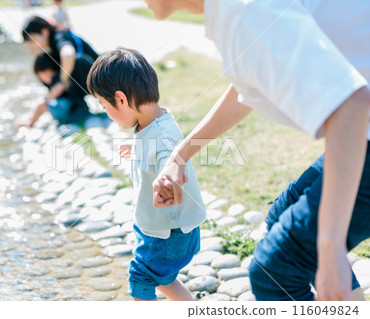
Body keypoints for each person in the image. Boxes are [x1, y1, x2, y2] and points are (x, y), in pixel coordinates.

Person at [146, 0, 370, 301]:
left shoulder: (242, 12)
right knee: (284, 214)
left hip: (361, 129)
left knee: (276, 271)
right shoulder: (237, 9)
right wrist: (180, 155)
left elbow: (352, 104)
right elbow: (248, 84)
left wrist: (330, 252)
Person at [87, 47, 206, 301]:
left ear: (120, 99)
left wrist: (168, 183)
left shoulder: (162, 139)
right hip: (167, 229)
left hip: (168, 233)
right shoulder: (154, 120)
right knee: (162, 279)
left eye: (104, 105)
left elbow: (171, 167)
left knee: (140, 278)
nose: (106, 113)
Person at [22, 16, 99, 125]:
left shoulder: (59, 35)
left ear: (44, 32)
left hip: (100, 77)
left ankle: (78, 107)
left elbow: (68, 55)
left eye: (32, 40)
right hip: (88, 77)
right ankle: (73, 105)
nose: (32, 45)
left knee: (73, 62)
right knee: (45, 69)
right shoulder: (52, 44)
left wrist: (63, 80)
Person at [27, 53, 92, 127]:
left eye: (41, 76)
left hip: (78, 115)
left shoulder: (59, 81)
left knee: (51, 104)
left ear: (48, 71)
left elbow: (42, 105)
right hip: (82, 110)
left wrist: (30, 123)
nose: (42, 80)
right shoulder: (64, 74)